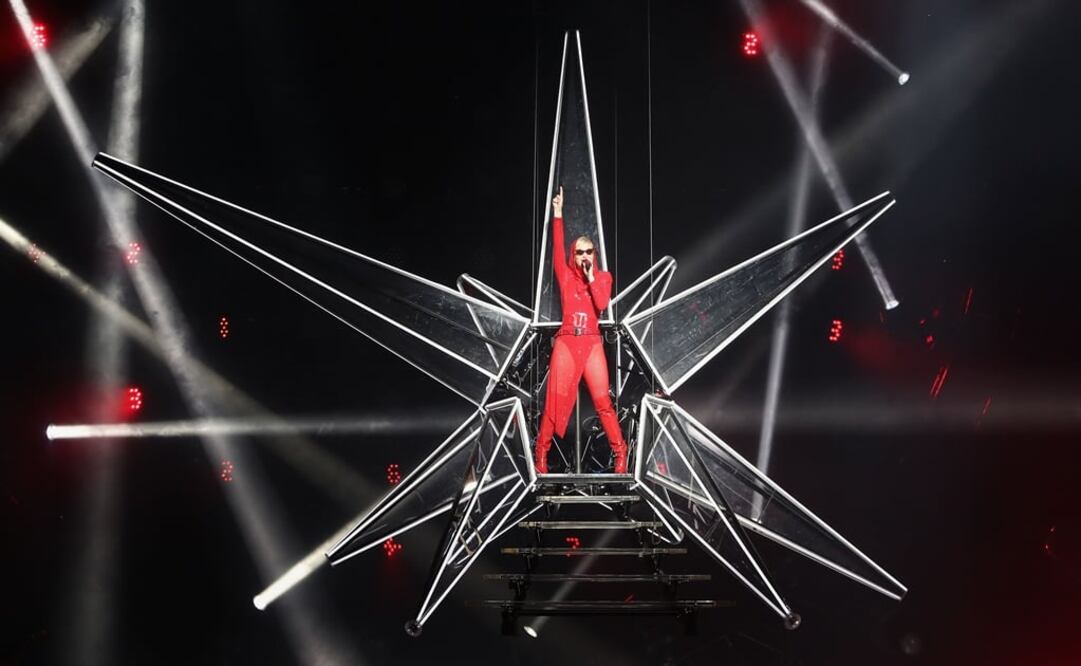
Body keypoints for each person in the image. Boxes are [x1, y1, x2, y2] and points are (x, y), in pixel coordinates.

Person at [534, 186, 628, 475]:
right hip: (566, 343)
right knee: (555, 400)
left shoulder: (602, 277)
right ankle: (541, 456)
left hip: (591, 344)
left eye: (589, 252)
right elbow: (557, 245)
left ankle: (620, 454)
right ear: (573, 256)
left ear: (593, 254)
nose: (584, 256)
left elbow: (601, 302)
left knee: (602, 401)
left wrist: (591, 277)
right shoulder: (564, 275)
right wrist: (558, 214)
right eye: (579, 253)